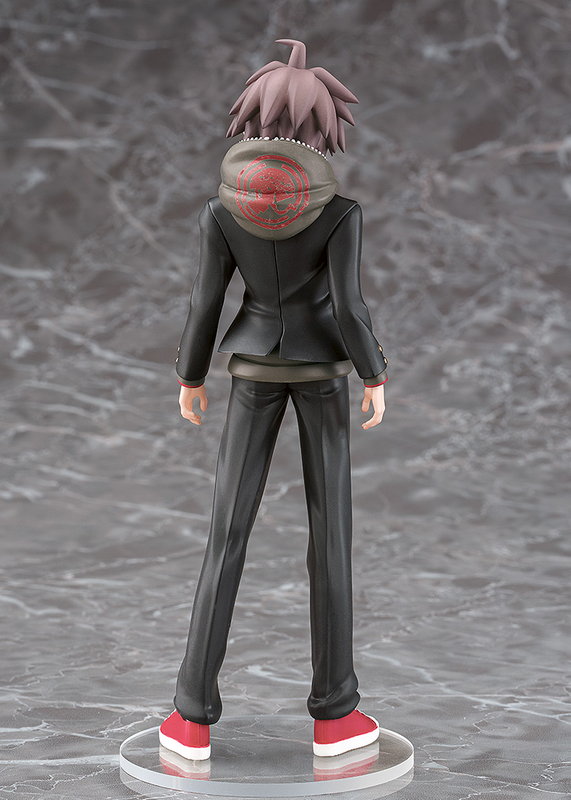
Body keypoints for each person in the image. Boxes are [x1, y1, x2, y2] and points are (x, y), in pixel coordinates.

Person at [158, 39, 388, 762]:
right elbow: (349, 307)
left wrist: (191, 375)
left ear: (251, 116)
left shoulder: (221, 210)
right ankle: (335, 716)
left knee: (226, 533)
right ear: (324, 125)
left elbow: (204, 303)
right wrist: (374, 372)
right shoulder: (339, 212)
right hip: (320, 374)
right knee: (330, 537)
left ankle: (189, 717)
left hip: (251, 370)